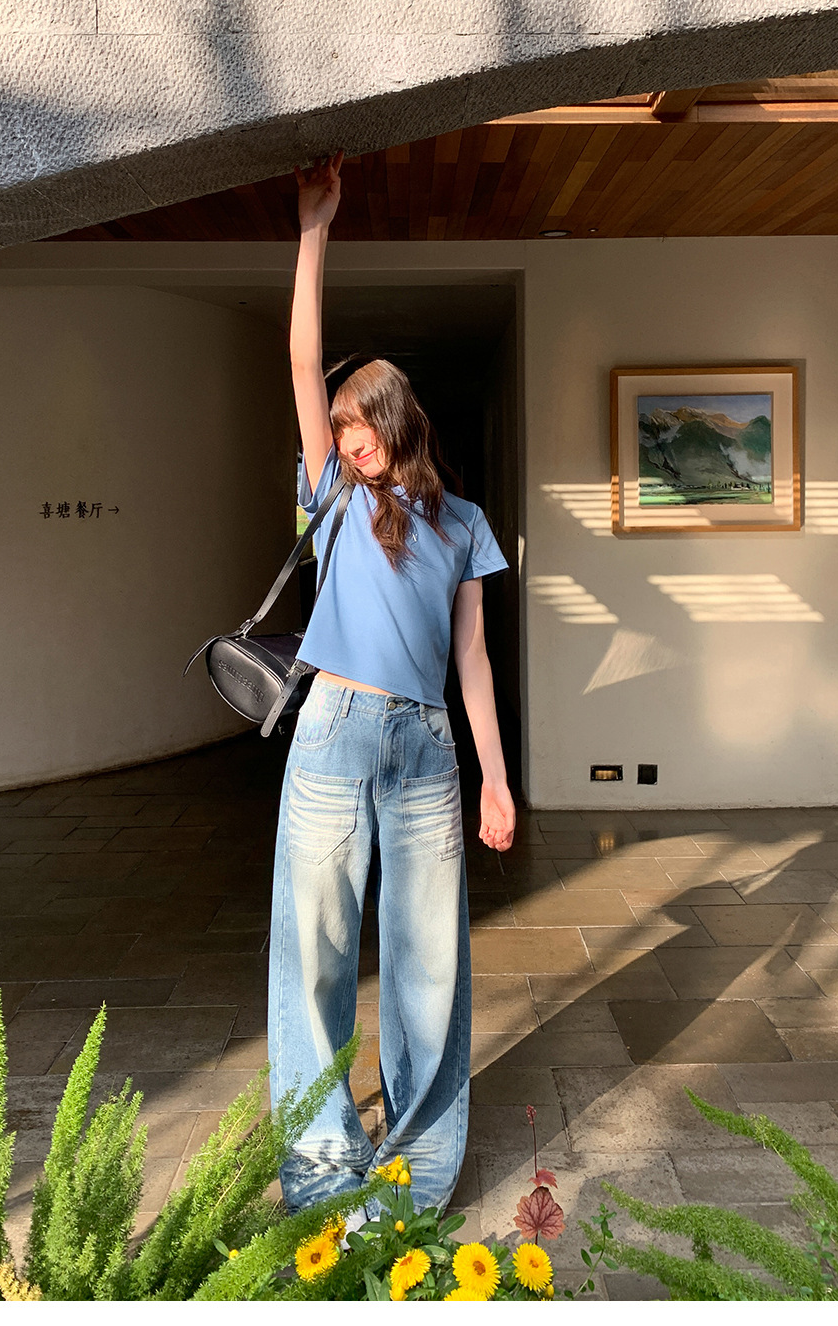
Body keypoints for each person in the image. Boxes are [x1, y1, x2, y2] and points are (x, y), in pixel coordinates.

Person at [268, 150, 516, 1218]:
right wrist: (315, 228)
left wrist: (496, 779)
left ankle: (413, 1169)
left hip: (426, 749)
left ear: (394, 417)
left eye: (358, 422)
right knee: (315, 957)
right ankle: (323, 1163)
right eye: (337, 428)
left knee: (427, 967)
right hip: (331, 730)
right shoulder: (330, 494)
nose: (347, 439)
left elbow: (473, 660)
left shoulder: (462, 524)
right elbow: (300, 357)